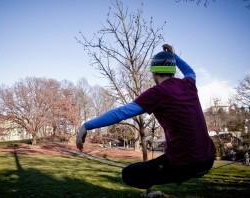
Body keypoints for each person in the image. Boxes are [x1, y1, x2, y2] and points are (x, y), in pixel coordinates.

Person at [76, 44, 216, 191]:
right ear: (172, 71)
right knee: (150, 170)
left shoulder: (157, 93)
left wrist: (86, 125)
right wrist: (174, 56)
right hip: (208, 158)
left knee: (129, 174)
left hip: (185, 163)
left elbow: (120, 113)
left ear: (154, 72)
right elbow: (190, 71)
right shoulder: (188, 84)